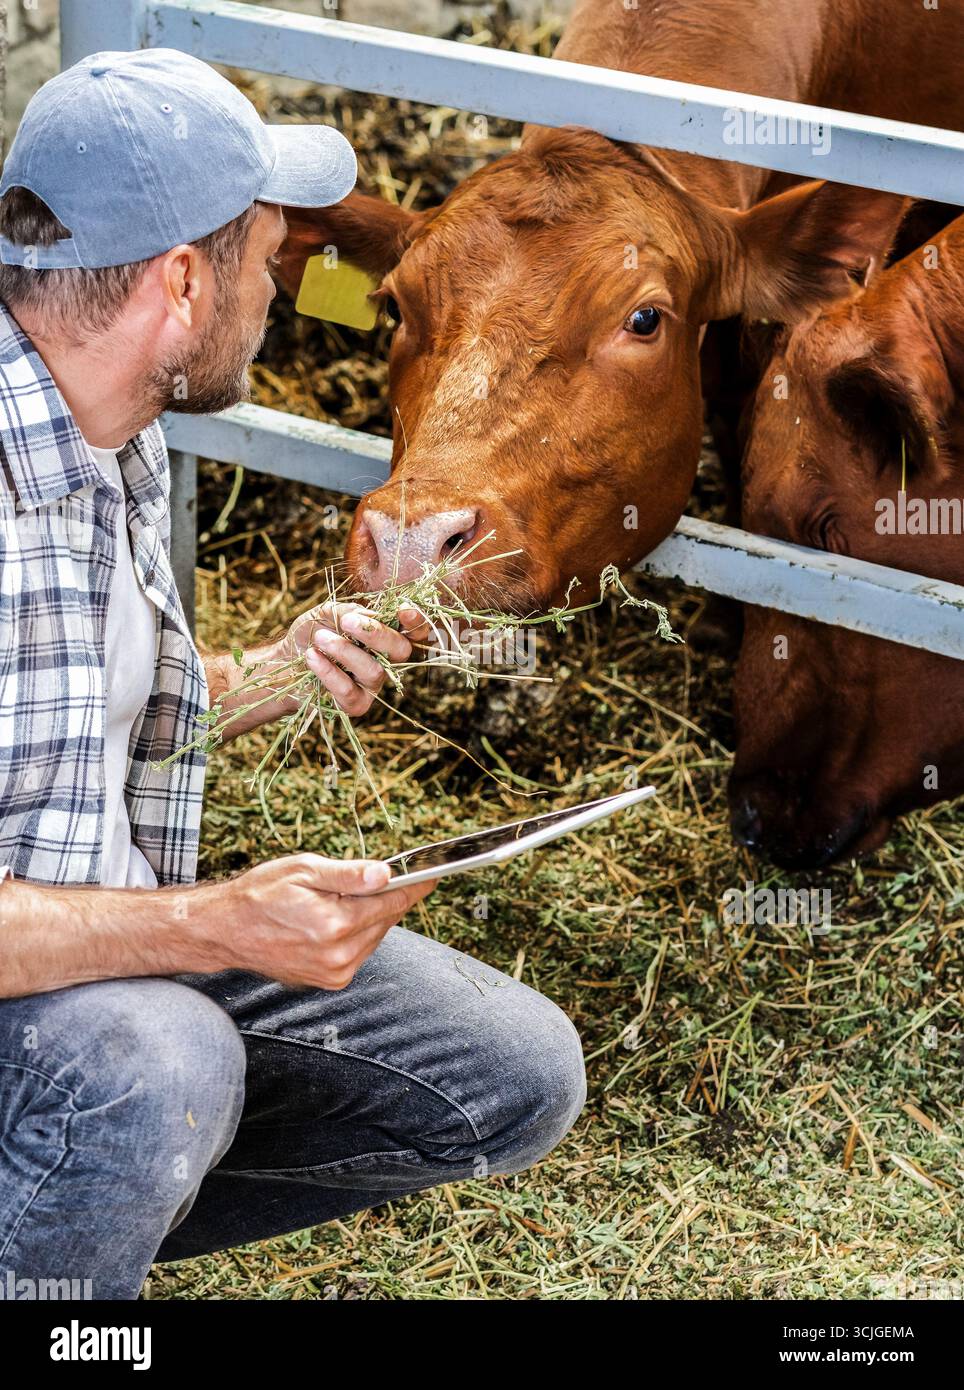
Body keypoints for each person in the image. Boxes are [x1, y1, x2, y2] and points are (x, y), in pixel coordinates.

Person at [0, 49, 586, 1300]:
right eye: (270, 260)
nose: (284, 295)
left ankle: (66, 1228)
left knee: (511, 1069)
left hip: (94, 943)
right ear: (178, 284)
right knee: (158, 1061)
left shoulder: (108, 428)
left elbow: (57, 716)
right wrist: (211, 922)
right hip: (55, 998)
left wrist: (276, 672)